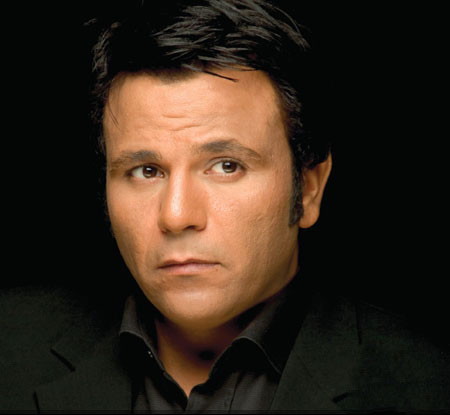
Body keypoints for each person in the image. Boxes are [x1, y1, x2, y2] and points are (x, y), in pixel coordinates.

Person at [1, 0, 448, 412]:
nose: (176, 216)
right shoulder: (10, 348)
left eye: (226, 166)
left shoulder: (425, 386)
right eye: (146, 171)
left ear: (309, 189)